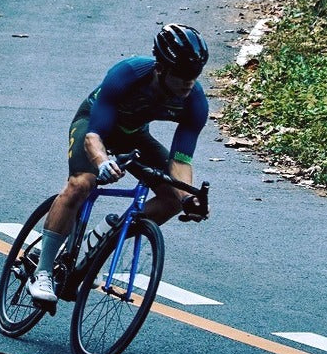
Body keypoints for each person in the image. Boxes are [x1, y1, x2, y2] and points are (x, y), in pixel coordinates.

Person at [28, 23, 210, 305]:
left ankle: (104, 240)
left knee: (172, 199)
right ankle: (42, 272)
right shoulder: (128, 74)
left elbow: (180, 160)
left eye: (195, 75)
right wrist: (102, 162)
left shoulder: (195, 102)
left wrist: (188, 196)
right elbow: (93, 136)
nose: (189, 82)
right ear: (160, 68)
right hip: (93, 125)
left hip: (134, 136)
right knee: (82, 183)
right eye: (182, 75)